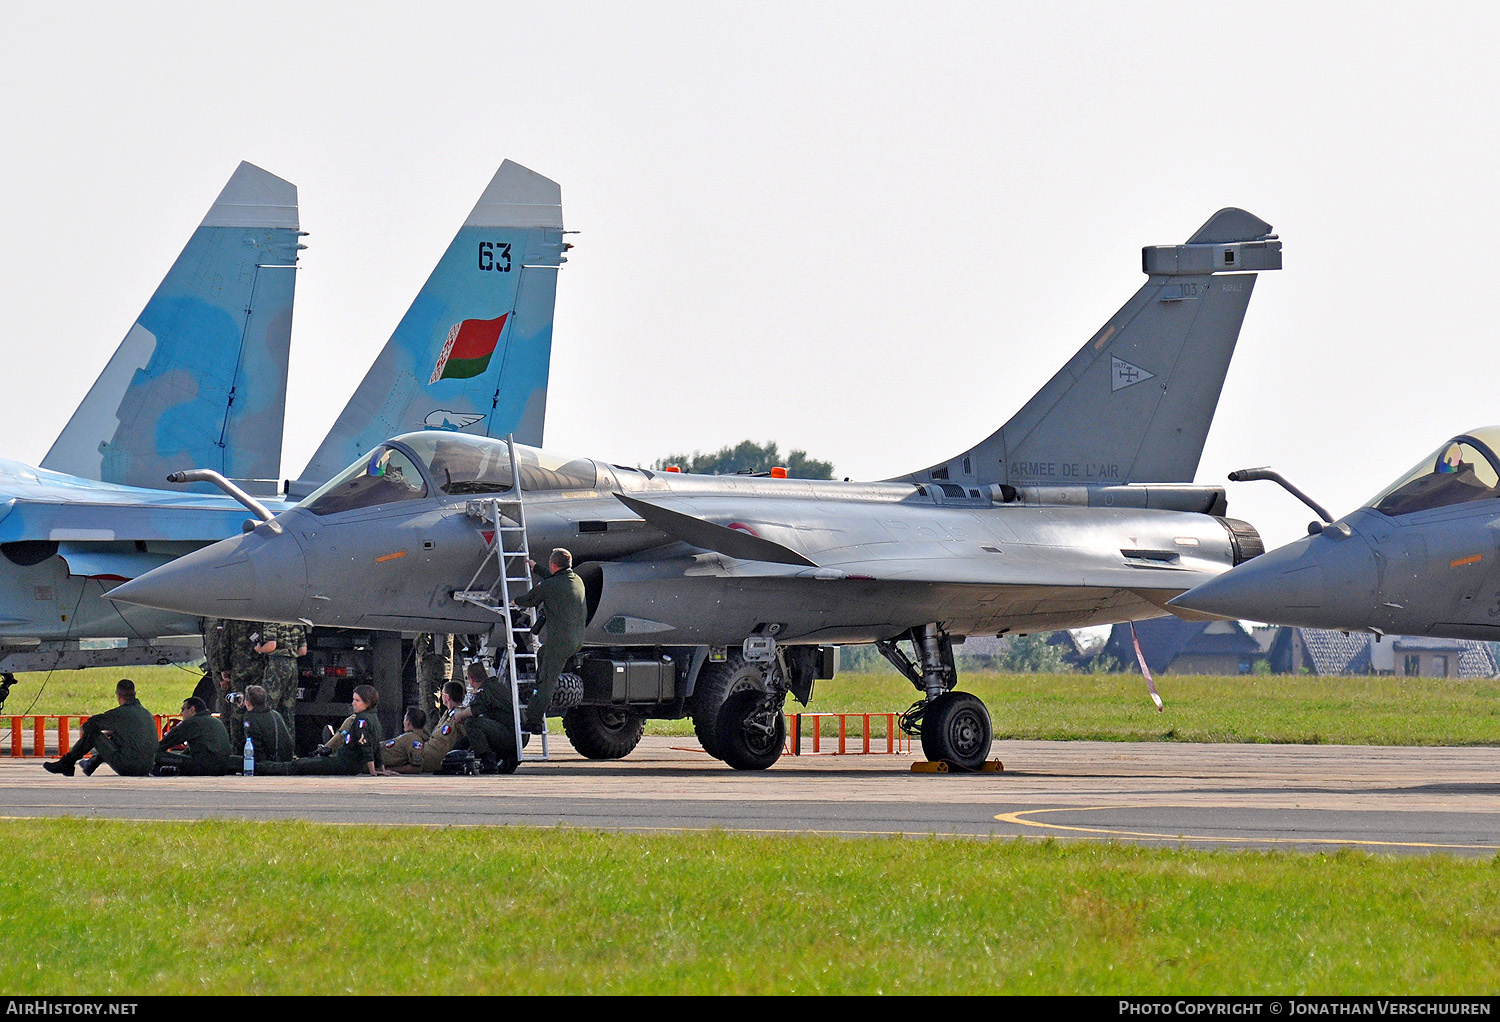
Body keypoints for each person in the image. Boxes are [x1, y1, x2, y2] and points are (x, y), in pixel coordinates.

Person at [511, 547, 586, 734]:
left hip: (560, 643)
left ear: (553, 565)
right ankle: (539, 688)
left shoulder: (549, 586)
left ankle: (534, 721)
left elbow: (530, 599)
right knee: (541, 654)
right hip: (576, 640)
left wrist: (514, 601)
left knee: (547, 682)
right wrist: (536, 568)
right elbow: (555, 580)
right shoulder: (576, 580)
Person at [257, 685, 383, 776]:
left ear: (368, 702)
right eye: (353, 700)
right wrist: (381, 768)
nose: (353, 703)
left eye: (357, 700)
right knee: (307, 762)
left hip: (345, 762)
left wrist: (373, 771)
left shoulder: (362, 720)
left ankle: (260, 767)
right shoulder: (373, 718)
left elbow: (366, 746)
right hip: (346, 761)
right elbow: (376, 746)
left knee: (299, 765)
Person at [43, 678, 157, 777]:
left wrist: (91, 738)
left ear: (118, 695)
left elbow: (88, 726)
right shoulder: (146, 713)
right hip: (147, 767)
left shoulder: (119, 714)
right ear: (135, 693)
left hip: (128, 767)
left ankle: (67, 763)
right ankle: (89, 765)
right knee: (116, 738)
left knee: (94, 735)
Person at [452, 666, 524, 773]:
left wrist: (460, 715)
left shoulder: (485, 690)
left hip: (512, 736)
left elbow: (475, 710)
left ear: (471, 679)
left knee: (472, 723)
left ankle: (488, 761)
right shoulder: (496, 686)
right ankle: (505, 756)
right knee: (483, 725)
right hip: (520, 734)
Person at [153, 697, 232, 776]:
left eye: (183, 709)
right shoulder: (216, 721)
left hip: (204, 767)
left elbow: (165, 743)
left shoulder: (192, 723)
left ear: (192, 709)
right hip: (223, 767)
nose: (181, 713)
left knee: (156, 755)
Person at [255, 621, 306, 740]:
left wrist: (259, 649)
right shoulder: (297, 623)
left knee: (268, 706)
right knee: (288, 710)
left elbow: (271, 645)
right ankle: (288, 748)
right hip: (293, 665)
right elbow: (303, 650)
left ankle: (269, 745)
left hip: (277, 664)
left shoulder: (272, 621)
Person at [236, 684, 296, 769]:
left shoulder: (250, 718)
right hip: (285, 761)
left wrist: (240, 710)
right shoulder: (275, 714)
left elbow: (251, 745)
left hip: (268, 764)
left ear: (247, 703)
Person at [419, 681, 468, 773]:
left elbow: (468, 735)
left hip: (436, 757)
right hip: (428, 750)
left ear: (447, 697)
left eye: (442, 694)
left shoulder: (459, 715)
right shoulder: (448, 713)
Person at [415, 633, 454, 723]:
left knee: (429, 709)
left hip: (429, 667)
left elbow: (424, 632)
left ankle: (433, 736)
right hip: (445, 664)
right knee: (447, 709)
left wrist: (421, 654)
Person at [378, 707, 429, 774]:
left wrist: (390, 769)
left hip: (371, 760)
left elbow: (416, 768)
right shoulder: (409, 736)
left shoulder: (414, 740)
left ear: (408, 722)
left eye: (405, 718)